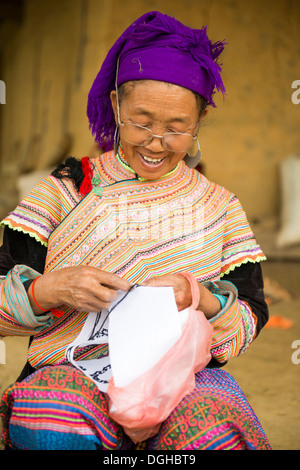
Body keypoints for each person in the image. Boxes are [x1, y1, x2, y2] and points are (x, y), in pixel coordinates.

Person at [0, 11, 271, 450]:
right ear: (115, 106)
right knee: (50, 424)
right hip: (70, 368)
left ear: (200, 119)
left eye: (177, 127)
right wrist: (48, 291)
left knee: (216, 433)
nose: (156, 141)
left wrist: (198, 297)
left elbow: (248, 318)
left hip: (183, 375)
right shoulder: (69, 188)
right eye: (141, 121)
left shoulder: (219, 206)